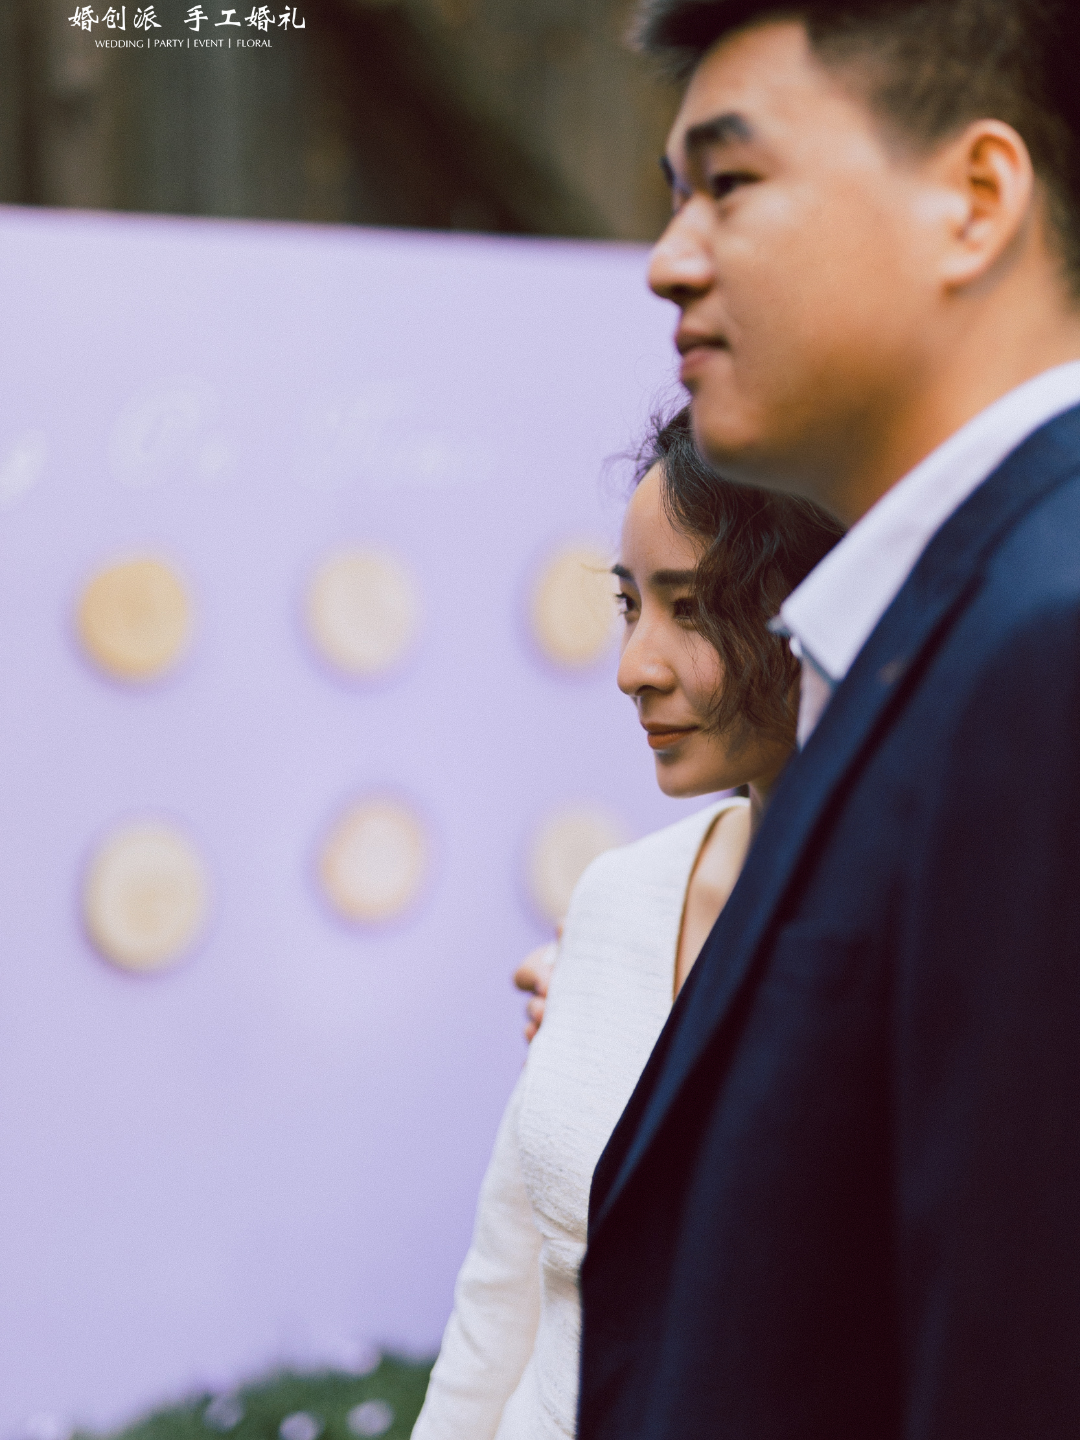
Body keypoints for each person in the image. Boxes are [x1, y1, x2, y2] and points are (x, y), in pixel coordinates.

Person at [577, 4, 1080, 1439]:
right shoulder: (934, 630)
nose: (670, 257)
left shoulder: (1047, 638)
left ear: (975, 199)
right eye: (675, 194)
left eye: (731, 183)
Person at [410, 407, 841, 1440]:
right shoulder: (618, 897)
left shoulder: (912, 943)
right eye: (629, 604)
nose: (632, 666)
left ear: (825, 608)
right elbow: (503, 1288)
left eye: (692, 609)